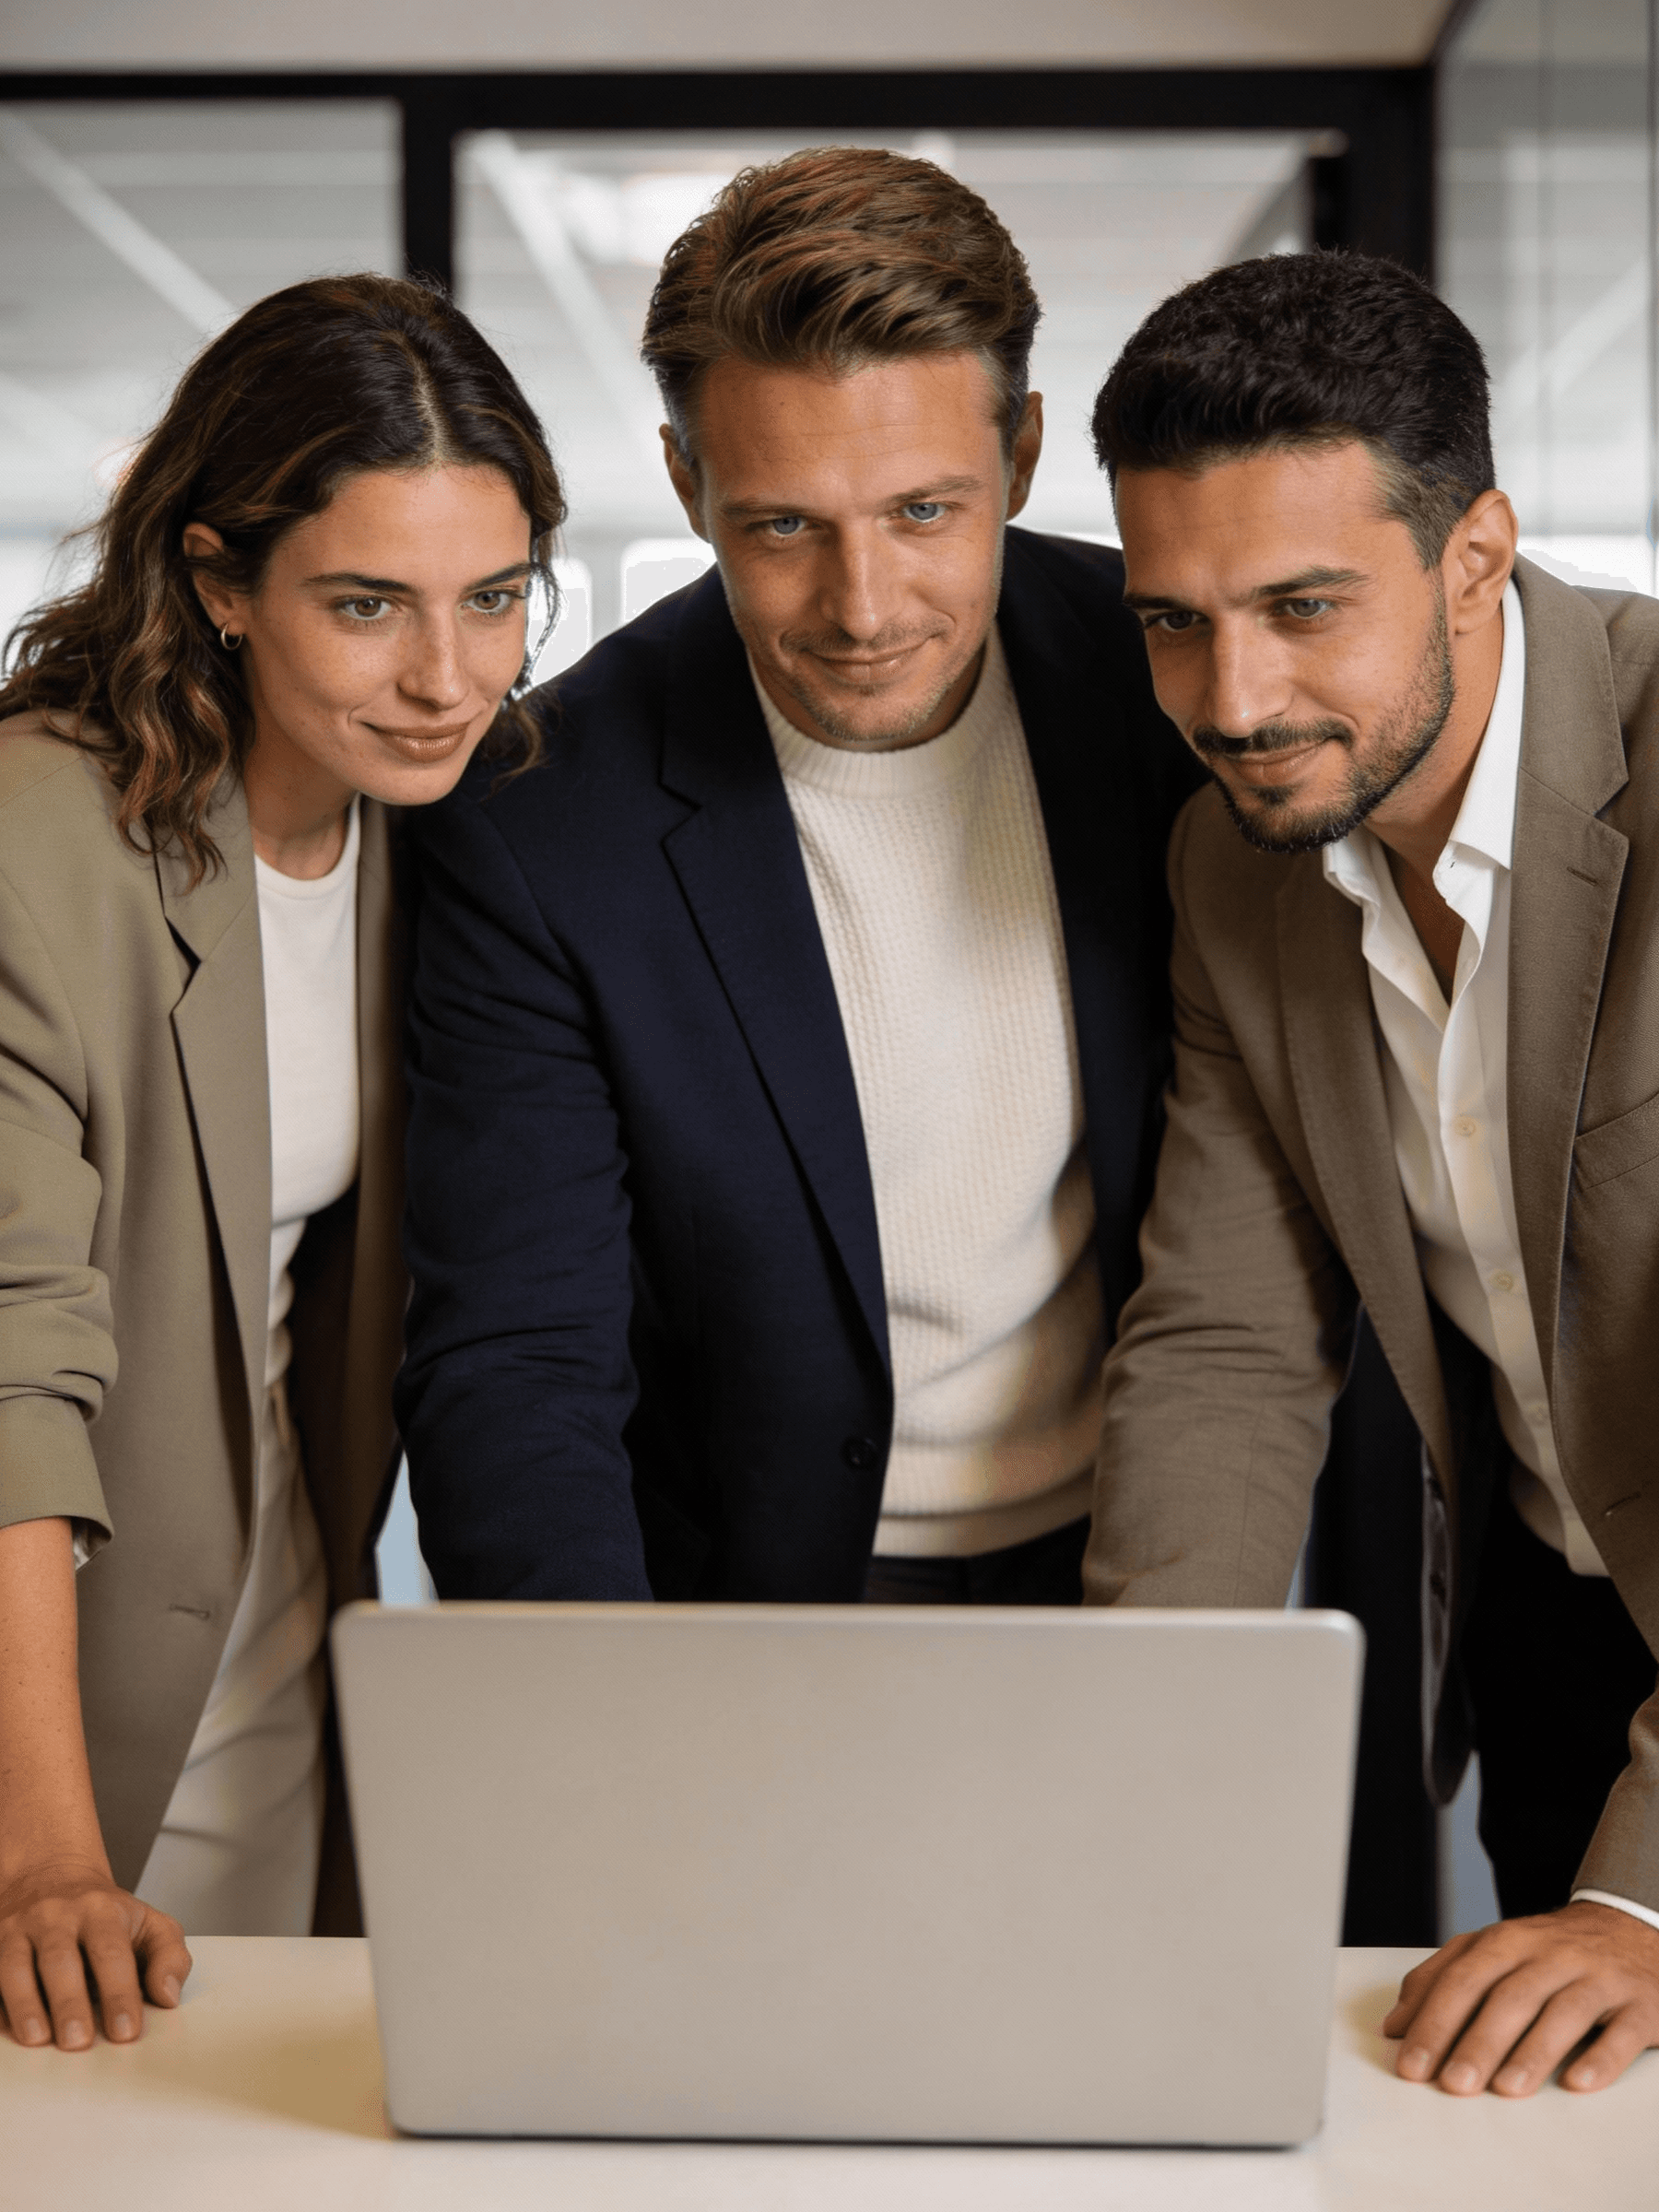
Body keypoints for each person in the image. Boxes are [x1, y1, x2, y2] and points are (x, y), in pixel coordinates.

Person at [397, 147, 1200, 1608]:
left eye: (925, 512)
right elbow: (522, 1360)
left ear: (1021, 456)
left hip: (1148, 1559)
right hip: (749, 1597)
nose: (864, 607)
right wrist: (588, 1730)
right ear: (686, 484)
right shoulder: (536, 825)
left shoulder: (1174, 686)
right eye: (782, 527)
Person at [1086, 250, 1659, 2096]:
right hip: (1563, 1642)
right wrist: (1136, 1782)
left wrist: (1648, 1906)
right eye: (1172, 621)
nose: (1233, 699)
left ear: (1476, 555)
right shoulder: (1234, 868)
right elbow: (1227, 1349)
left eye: (1302, 607)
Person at [0, 272, 564, 2053]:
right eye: (367, 605)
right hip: (40, 1717)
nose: (447, 675)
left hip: (266, 1649)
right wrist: (38, 1854)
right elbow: (10, 1368)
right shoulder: (38, 842)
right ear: (219, 582)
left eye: (494, 600)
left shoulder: (435, 837)